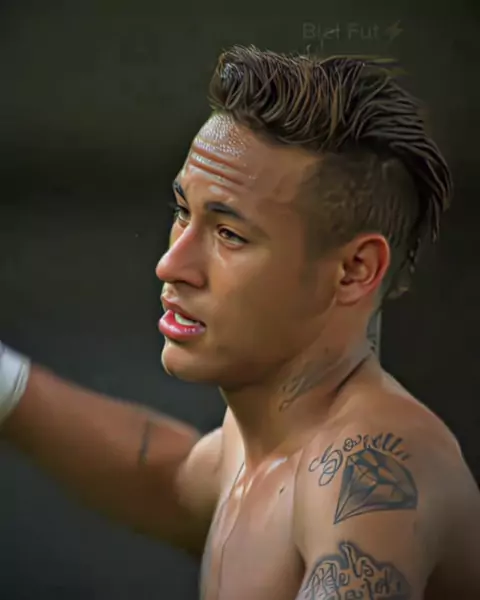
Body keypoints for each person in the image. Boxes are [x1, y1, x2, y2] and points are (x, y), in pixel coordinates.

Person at [0, 45, 478, 600]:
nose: (170, 264)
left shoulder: (370, 473)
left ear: (354, 270)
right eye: (183, 212)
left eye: (229, 234)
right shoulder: (258, 446)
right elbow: (171, 478)